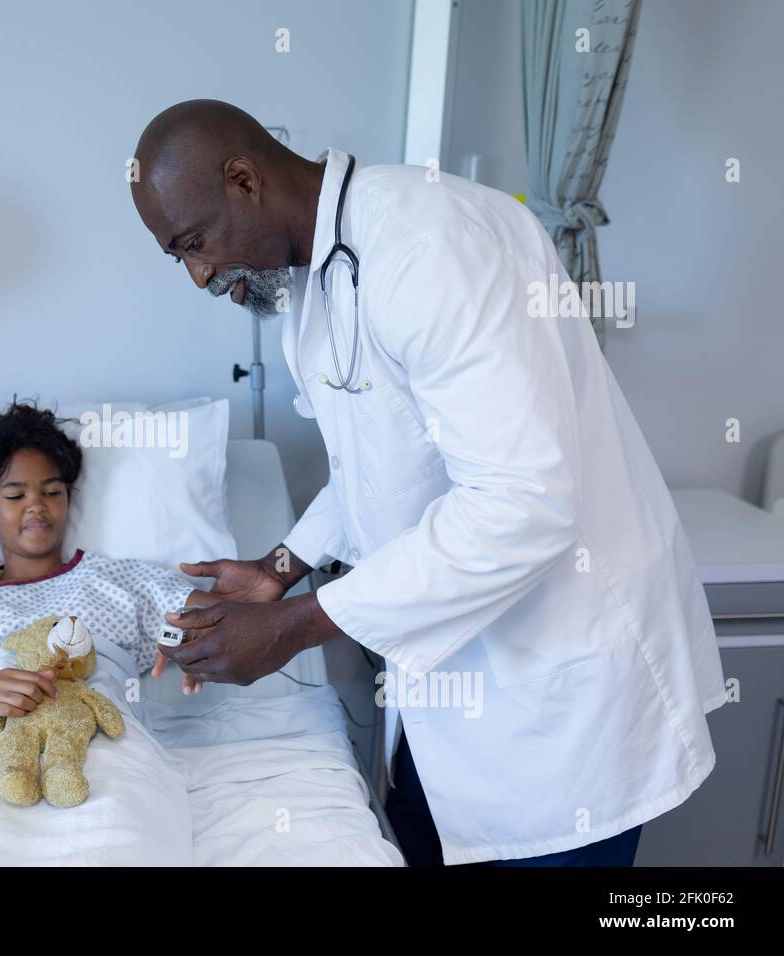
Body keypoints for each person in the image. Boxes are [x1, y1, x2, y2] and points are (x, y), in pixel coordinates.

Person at [129, 99, 725, 866]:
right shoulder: (312, 280)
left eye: (194, 242)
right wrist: (279, 571)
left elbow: (522, 503)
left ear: (244, 179)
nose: (199, 273)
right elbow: (377, 466)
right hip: (459, 689)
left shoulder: (429, 246)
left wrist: (296, 626)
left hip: (563, 693)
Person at [0, 401, 214, 755]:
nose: (37, 506)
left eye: (51, 492)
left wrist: (205, 636)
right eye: (15, 495)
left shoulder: (116, 578)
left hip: (102, 746)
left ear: (68, 497)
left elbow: (226, 617)